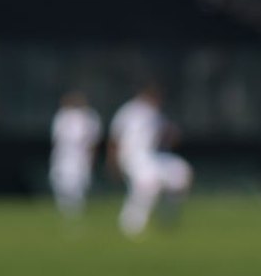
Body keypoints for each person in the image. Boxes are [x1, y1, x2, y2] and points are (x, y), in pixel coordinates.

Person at [109, 84, 192, 237]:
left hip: (151, 156)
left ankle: (167, 218)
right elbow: (115, 138)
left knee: (180, 172)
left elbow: (168, 136)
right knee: (148, 184)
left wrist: (171, 135)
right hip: (131, 157)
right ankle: (131, 225)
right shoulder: (129, 111)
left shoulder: (155, 114)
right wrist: (113, 162)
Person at [49, 91, 102, 220]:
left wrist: (91, 157)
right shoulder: (62, 116)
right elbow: (56, 138)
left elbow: (93, 140)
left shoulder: (90, 117)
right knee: (59, 181)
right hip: (63, 154)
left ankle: (76, 211)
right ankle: (64, 209)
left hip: (80, 156)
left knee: (79, 183)